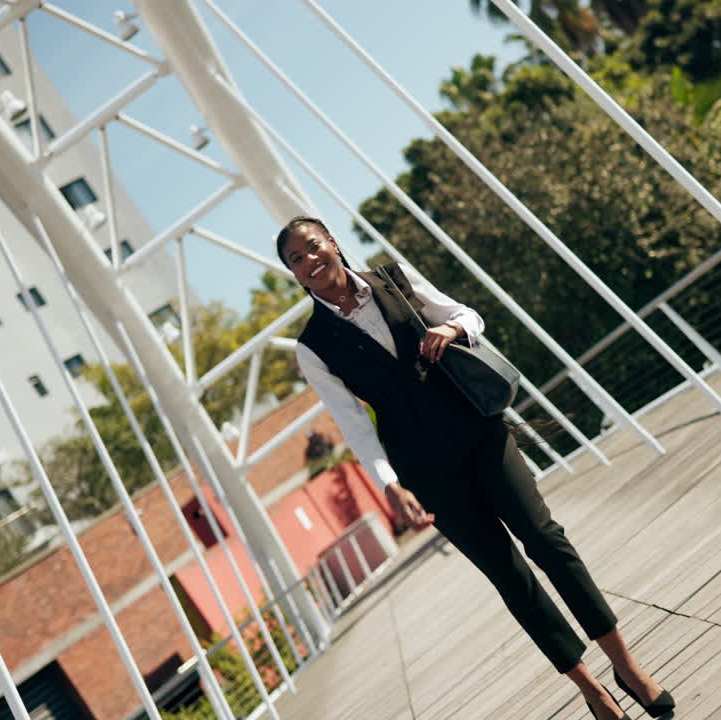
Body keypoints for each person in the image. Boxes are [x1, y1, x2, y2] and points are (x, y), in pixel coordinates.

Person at [277, 217, 675, 720]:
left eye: (313, 247)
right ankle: (590, 687)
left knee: (546, 538)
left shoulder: (393, 276)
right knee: (508, 573)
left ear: (332, 243)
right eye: (296, 259)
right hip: (424, 469)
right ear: (294, 273)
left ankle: (627, 665)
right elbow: (353, 423)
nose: (310, 260)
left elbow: (468, 314)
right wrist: (390, 486)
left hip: (480, 431)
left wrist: (450, 327)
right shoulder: (312, 346)